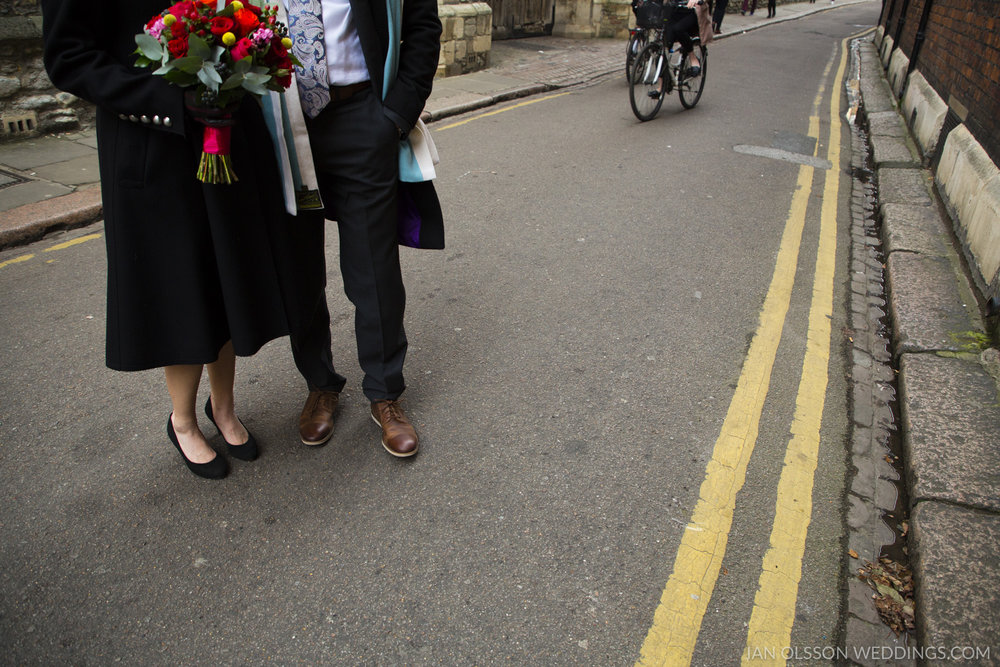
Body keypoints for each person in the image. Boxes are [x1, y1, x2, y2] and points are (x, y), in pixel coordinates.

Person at [40, 0, 330, 479]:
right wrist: (166, 100)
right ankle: (182, 421)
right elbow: (68, 59)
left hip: (225, 130)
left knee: (227, 278)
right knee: (184, 285)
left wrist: (246, 64)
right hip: (152, 146)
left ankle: (225, 408)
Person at [281, 0, 443, 458]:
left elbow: (422, 28)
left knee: (373, 269)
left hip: (362, 118)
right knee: (298, 265)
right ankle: (320, 384)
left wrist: (395, 116)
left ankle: (385, 393)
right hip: (283, 118)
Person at [663, 0, 713, 76]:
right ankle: (661, 86)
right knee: (663, 49)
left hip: (692, 12)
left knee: (678, 29)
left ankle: (692, 57)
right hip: (674, 11)